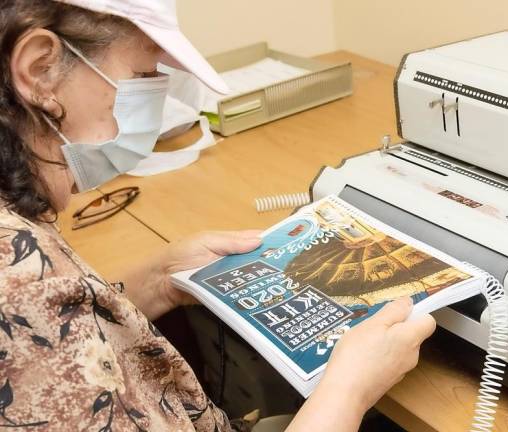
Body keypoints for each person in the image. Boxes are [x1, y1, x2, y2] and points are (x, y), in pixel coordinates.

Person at [0, 1, 437, 431]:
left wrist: (160, 280)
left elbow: (65, 333)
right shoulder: (18, 285)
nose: (154, 100)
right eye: (141, 75)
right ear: (40, 69)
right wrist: (349, 391)